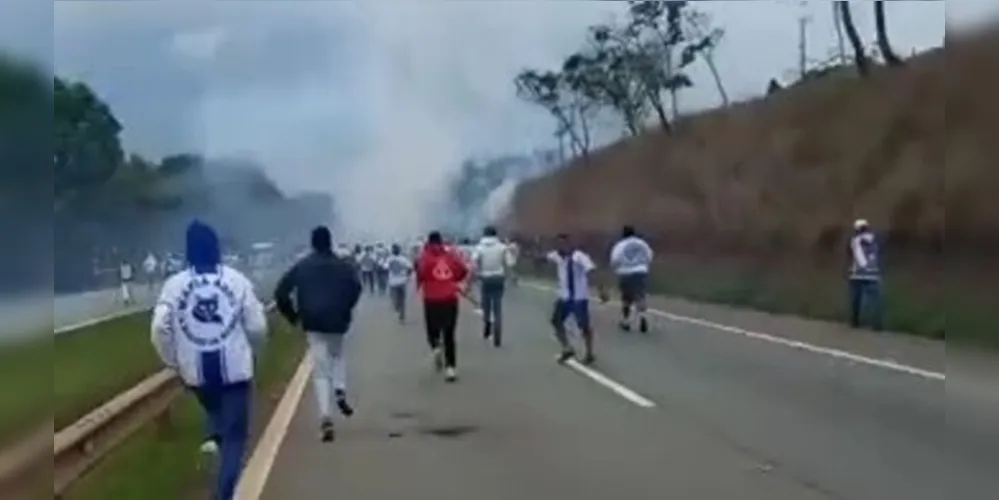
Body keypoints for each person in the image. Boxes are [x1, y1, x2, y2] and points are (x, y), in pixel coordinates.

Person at [150, 220, 269, 500]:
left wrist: (173, 359)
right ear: (217, 248)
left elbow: (158, 328)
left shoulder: (173, 285)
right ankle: (224, 493)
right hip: (236, 373)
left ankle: (212, 435)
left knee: (217, 413)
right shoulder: (236, 280)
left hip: (197, 376)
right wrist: (254, 349)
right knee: (236, 438)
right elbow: (258, 326)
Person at [273, 226, 362, 442]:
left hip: (312, 322)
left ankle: (325, 415)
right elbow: (356, 287)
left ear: (312, 243)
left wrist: (293, 316)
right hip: (337, 321)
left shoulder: (302, 266)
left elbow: (280, 292)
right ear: (330, 242)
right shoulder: (343, 265)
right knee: (338, 354)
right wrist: (346, 309)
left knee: (321, 370)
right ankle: (340, 388)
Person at [415, 230, 469, 382]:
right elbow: (463, 270)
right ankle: (451, 368)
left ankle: (436, 347)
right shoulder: (451, 255)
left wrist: (420, 285)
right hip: (450, 297)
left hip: (431, 298)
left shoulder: (424, 257)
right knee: (449, 333)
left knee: (432, 329)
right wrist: (453, 280)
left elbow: (420, 273)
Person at [547, 233, 602, 365]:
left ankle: (589, 352)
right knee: (556, 321)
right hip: (564, 297)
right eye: (558, 244)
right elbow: (544, 256)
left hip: (579, 297)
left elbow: (592, 272)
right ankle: (567, 348)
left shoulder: (579, 257)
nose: (561, 247)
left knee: (584, 325)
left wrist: (601, 290)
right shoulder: (557, 256)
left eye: (564, 244)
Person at [472, 226, 514, 347]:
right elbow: (510, 263)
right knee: (497, 307)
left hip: (485, 278)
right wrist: (509, 275)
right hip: (498, 278)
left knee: (486, 305)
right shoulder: (502, 247)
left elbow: (474, 263)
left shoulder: (479, 248)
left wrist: (475, 275)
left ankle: (487, 323)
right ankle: (498, 334)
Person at [609, 225, 654, 333]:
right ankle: (643, 317)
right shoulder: (642, 243)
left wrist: (616, 269)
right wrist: (643, 265)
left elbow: (615, 259)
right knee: (640, 295)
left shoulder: (620, 245)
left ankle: (626, 321)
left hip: (625, 272)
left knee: (626, 298)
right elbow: (650, 256)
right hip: (641, 271)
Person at [848, 219, 883, 331]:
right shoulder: (875, 241)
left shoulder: (855, 241)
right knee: (875, 301)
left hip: (857, 274)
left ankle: (855, 322)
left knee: (856, 300)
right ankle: (877, 324)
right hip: (873, 274)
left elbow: (855, 255)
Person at [385, 243, 413, 323]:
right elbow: (410, 268)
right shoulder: (403, 259)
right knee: (402, 301)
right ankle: (401, 316)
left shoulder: (389, 259)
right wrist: (407, 276)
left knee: (396, 300)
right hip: (401, 282)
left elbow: (385, 268)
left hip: (394, 283)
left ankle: (400, 313)